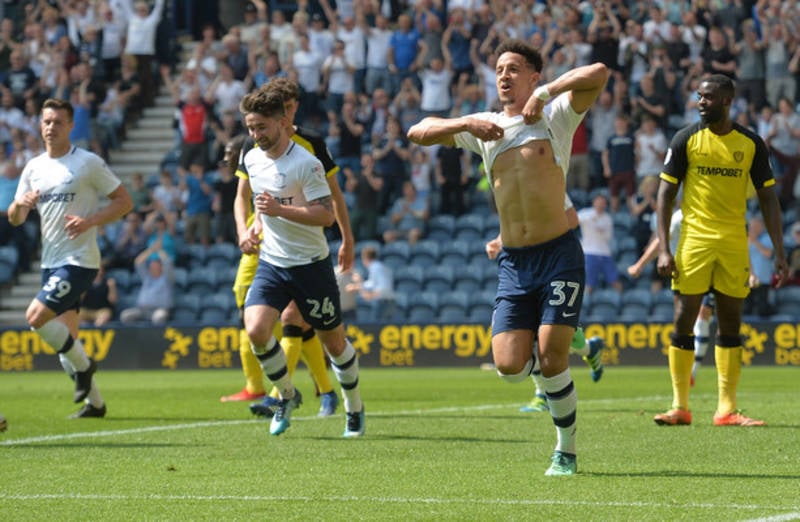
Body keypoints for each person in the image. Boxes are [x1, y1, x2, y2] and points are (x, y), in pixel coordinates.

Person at [408, 39, 609, 475]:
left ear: (533, 76)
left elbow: (597, 72)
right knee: (508, 365)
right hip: (515, 264)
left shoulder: (554, 116)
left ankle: (566, 450)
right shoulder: (483, 126)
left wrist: (547, 93)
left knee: (553, 357)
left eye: (514, 68)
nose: (504, 75)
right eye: (499, 68)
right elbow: (417, 132)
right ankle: (565, 349)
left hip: (558, 254)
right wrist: (465, 123)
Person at [654, 74, 788, 428]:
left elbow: (769, 199)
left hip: (732, 241)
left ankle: (726, 409)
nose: (700, 102)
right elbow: (665, 195)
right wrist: (664, 249)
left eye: (708, 97)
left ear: (727, 101)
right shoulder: (685, 139)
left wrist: (779, 250)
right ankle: (679, 406)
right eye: (698, 96)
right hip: (694, 240)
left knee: (731, 323)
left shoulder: (751, 144)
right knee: (684, 318)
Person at [237, 88, 364, 437]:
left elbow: (325, 215)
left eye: (261, 127)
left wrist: (279, 211)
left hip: (311, 265)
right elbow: (258, 201)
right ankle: (287, 397)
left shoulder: (307, 162)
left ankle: (354, 406)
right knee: (256, 331)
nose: (255, 135)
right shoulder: (251, 158)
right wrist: (256, 225)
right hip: (272, 263)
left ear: (281, 122)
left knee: (334, 344)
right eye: (250, 128)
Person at [7, 97, 133, 418]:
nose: (51, 127)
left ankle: (86, 366)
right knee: (68, 342)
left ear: (70, 126)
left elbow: (124, 202)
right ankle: (96, 404)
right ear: (40, 124)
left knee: (36, 318)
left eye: (58, 122)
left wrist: (90, 222)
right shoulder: (33, 167)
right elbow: (14, 219)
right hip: (50, 262)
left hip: (80, 260)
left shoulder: (87, 162)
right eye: (47, 121)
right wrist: (21, 204)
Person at [626, 207, 715, 387]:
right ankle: (684, 369)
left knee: (702, 315)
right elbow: (660, 241)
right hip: (683, 274)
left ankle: (692, 371)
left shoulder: (713, 212)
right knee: (684, 322)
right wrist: (640, 265)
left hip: (710, 271)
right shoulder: (678, 217)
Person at [119, 239, 174, 325]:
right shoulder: (147, 277)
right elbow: (138, 262)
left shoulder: (167, 278)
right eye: (151, 266)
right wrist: (151, 250)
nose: (153, 268)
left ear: (161, 267)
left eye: (156, 266)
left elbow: (167, 262)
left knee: (158, 317)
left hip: (160, 309)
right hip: (142, 310)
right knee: (125, 315)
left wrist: (159, 250)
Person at [346, 245, 394, 321]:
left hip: (383, 303)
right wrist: (358, 286)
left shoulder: (375, 267)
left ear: (365, 258)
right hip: (388, 302)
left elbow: (383, 287)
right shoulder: (379, 266)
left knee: (378, 327)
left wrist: (369, 294)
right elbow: (372, 284)